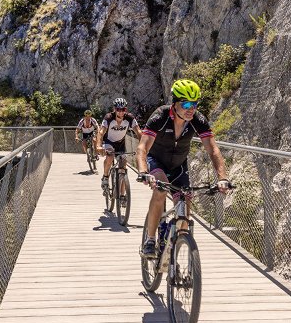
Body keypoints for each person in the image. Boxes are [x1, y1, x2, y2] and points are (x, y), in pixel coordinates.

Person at [136, 79, 231, 258]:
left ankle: (176, 251)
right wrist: (143, 172)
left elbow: (213, 149)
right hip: (156, 161)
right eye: (186, 103)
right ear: (175, 103)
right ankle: (150, 239)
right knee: (161, 189)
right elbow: (142, 148)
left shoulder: (198, 120)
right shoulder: (160, 116)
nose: (191, 109)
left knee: (185, 205)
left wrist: (222, 178)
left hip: (179, 165)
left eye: (194, 104)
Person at [96, 98, 143, 203]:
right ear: (114, 109)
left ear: (125, 110)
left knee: (123, 166)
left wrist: (143, 147)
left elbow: (139, 132)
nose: (121, 112)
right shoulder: (108, 117)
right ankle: (105, 176)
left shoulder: (130, 118)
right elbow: (101, 132)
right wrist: (99, 146)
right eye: (118, 109)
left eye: (123, 109)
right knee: (110, 156)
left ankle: (122, 195)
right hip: (109, 142)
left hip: (121, 144)